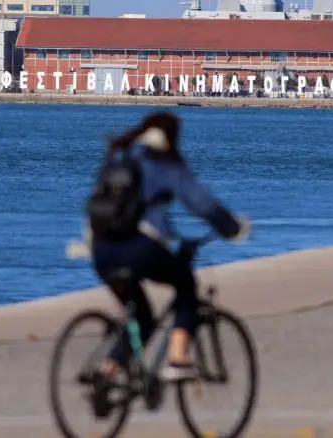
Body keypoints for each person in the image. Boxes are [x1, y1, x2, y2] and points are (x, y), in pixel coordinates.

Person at [83, 111, 250, 383]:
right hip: (139, 248)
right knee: (186, 285)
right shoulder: (164, 161)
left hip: (101, 249)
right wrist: (232, 228)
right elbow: (203, 204)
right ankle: (177, 359)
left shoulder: (119, 154)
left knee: (141, 316)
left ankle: (107, 374)